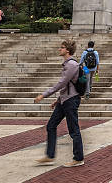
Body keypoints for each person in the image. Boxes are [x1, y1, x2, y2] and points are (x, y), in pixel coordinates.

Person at [34, 39, 84, 167]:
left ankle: (78, 158)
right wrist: (58, 100)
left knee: (73, 130)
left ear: (67, 50)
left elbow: (61, 83)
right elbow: (65, 86)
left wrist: (43, 95)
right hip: (64, 100)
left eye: (61, 47)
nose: (59, 49)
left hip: (71, 100)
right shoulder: (67, 64)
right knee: (51, 125)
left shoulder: (71, 65)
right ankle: (50, 156)